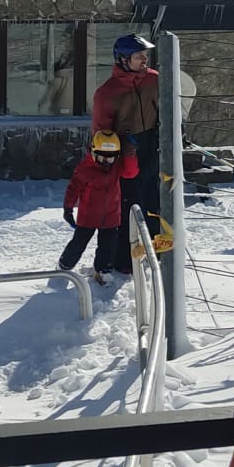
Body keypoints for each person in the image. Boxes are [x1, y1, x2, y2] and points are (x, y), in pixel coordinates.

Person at [92, 32, 159, 273]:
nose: (144, 60)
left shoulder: (154, 80)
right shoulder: (107, 93)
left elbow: (167, 110)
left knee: (156, 204)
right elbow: (100, 134)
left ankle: (156, 254)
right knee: (128, 209)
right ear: (123, 59)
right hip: (125, 155)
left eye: (145, 55)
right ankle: (122, 262)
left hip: (153, 147)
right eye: (139, 56)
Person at [61, 131, 137, 284]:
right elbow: (73, 189)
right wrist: (68, 209)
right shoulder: (85, 169)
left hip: (111, 216)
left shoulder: (116, 167)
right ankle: (64, 266)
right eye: (102, 157)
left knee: (107, 248)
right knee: (78, 244)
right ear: (93, 152)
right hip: (88, 216)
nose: (107, 162)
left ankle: (103, 271)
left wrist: (129, 155)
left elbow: (131, 173)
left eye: (111, 157)